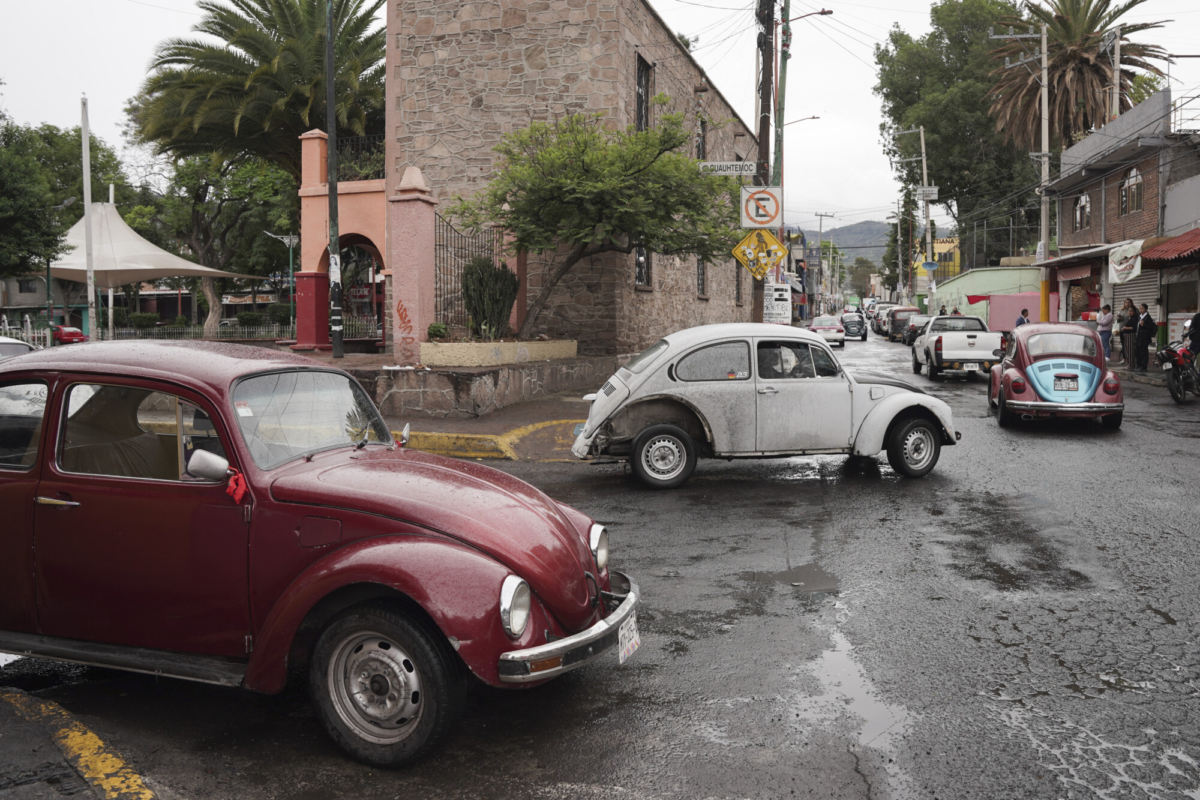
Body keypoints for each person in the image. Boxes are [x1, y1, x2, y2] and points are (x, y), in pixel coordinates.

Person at [1134, 303, 1157, 371]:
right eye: (1140, 308)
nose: (1140, 310)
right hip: (1139, 337)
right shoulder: (1140, 316)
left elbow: (1150, 327)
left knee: (1143, 352)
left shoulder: (1148, 318)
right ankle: (1138, 365)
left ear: (1146, 309)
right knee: (1138, 352)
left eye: (1142, 308)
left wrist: (1143, 325)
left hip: (1144, 338)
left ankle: (1143, 366)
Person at [1119, 299, 1138, 368]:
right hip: (1125, 334)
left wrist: (1126, 328)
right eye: (1128, 311)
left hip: (1131, 335)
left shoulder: (1135, 318)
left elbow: (1134, 327)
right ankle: (1127, 362)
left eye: (1131, 311)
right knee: (1126, 349)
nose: (1129, 312)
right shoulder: (1124, 313)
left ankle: (1131, 364)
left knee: (1130, 351)